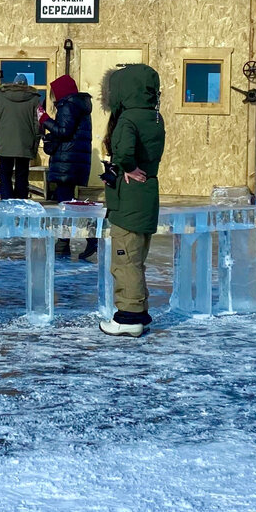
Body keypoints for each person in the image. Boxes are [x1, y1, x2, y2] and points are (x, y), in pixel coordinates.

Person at [100, 64, 165, 338]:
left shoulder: (128, 119)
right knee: (137, 259)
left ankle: (128, 318)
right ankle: (140, 311)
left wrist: (125, 166)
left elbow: (125, 151)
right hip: (148, 193)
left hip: (129, 199)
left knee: (124, 260)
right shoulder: (155, 117)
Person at [38, 74, 96, 259]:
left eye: (55, 92)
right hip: (71, 161)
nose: (53, 96)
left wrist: (44, 119)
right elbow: (66, 131)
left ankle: (77, 240)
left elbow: (63, 131)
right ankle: (73, 240)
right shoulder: (77, 105)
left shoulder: (68, 105)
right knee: (69, 203)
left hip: (67, 162)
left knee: (66, 204)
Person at [0, 72, 41, 199]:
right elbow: (37, 123)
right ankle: (20, 202)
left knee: (5, 174)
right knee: (22, 175)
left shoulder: (1, 96)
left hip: (5, 142)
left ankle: (6, 201)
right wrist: (35, 142)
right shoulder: (34, 99)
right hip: (25, 143)